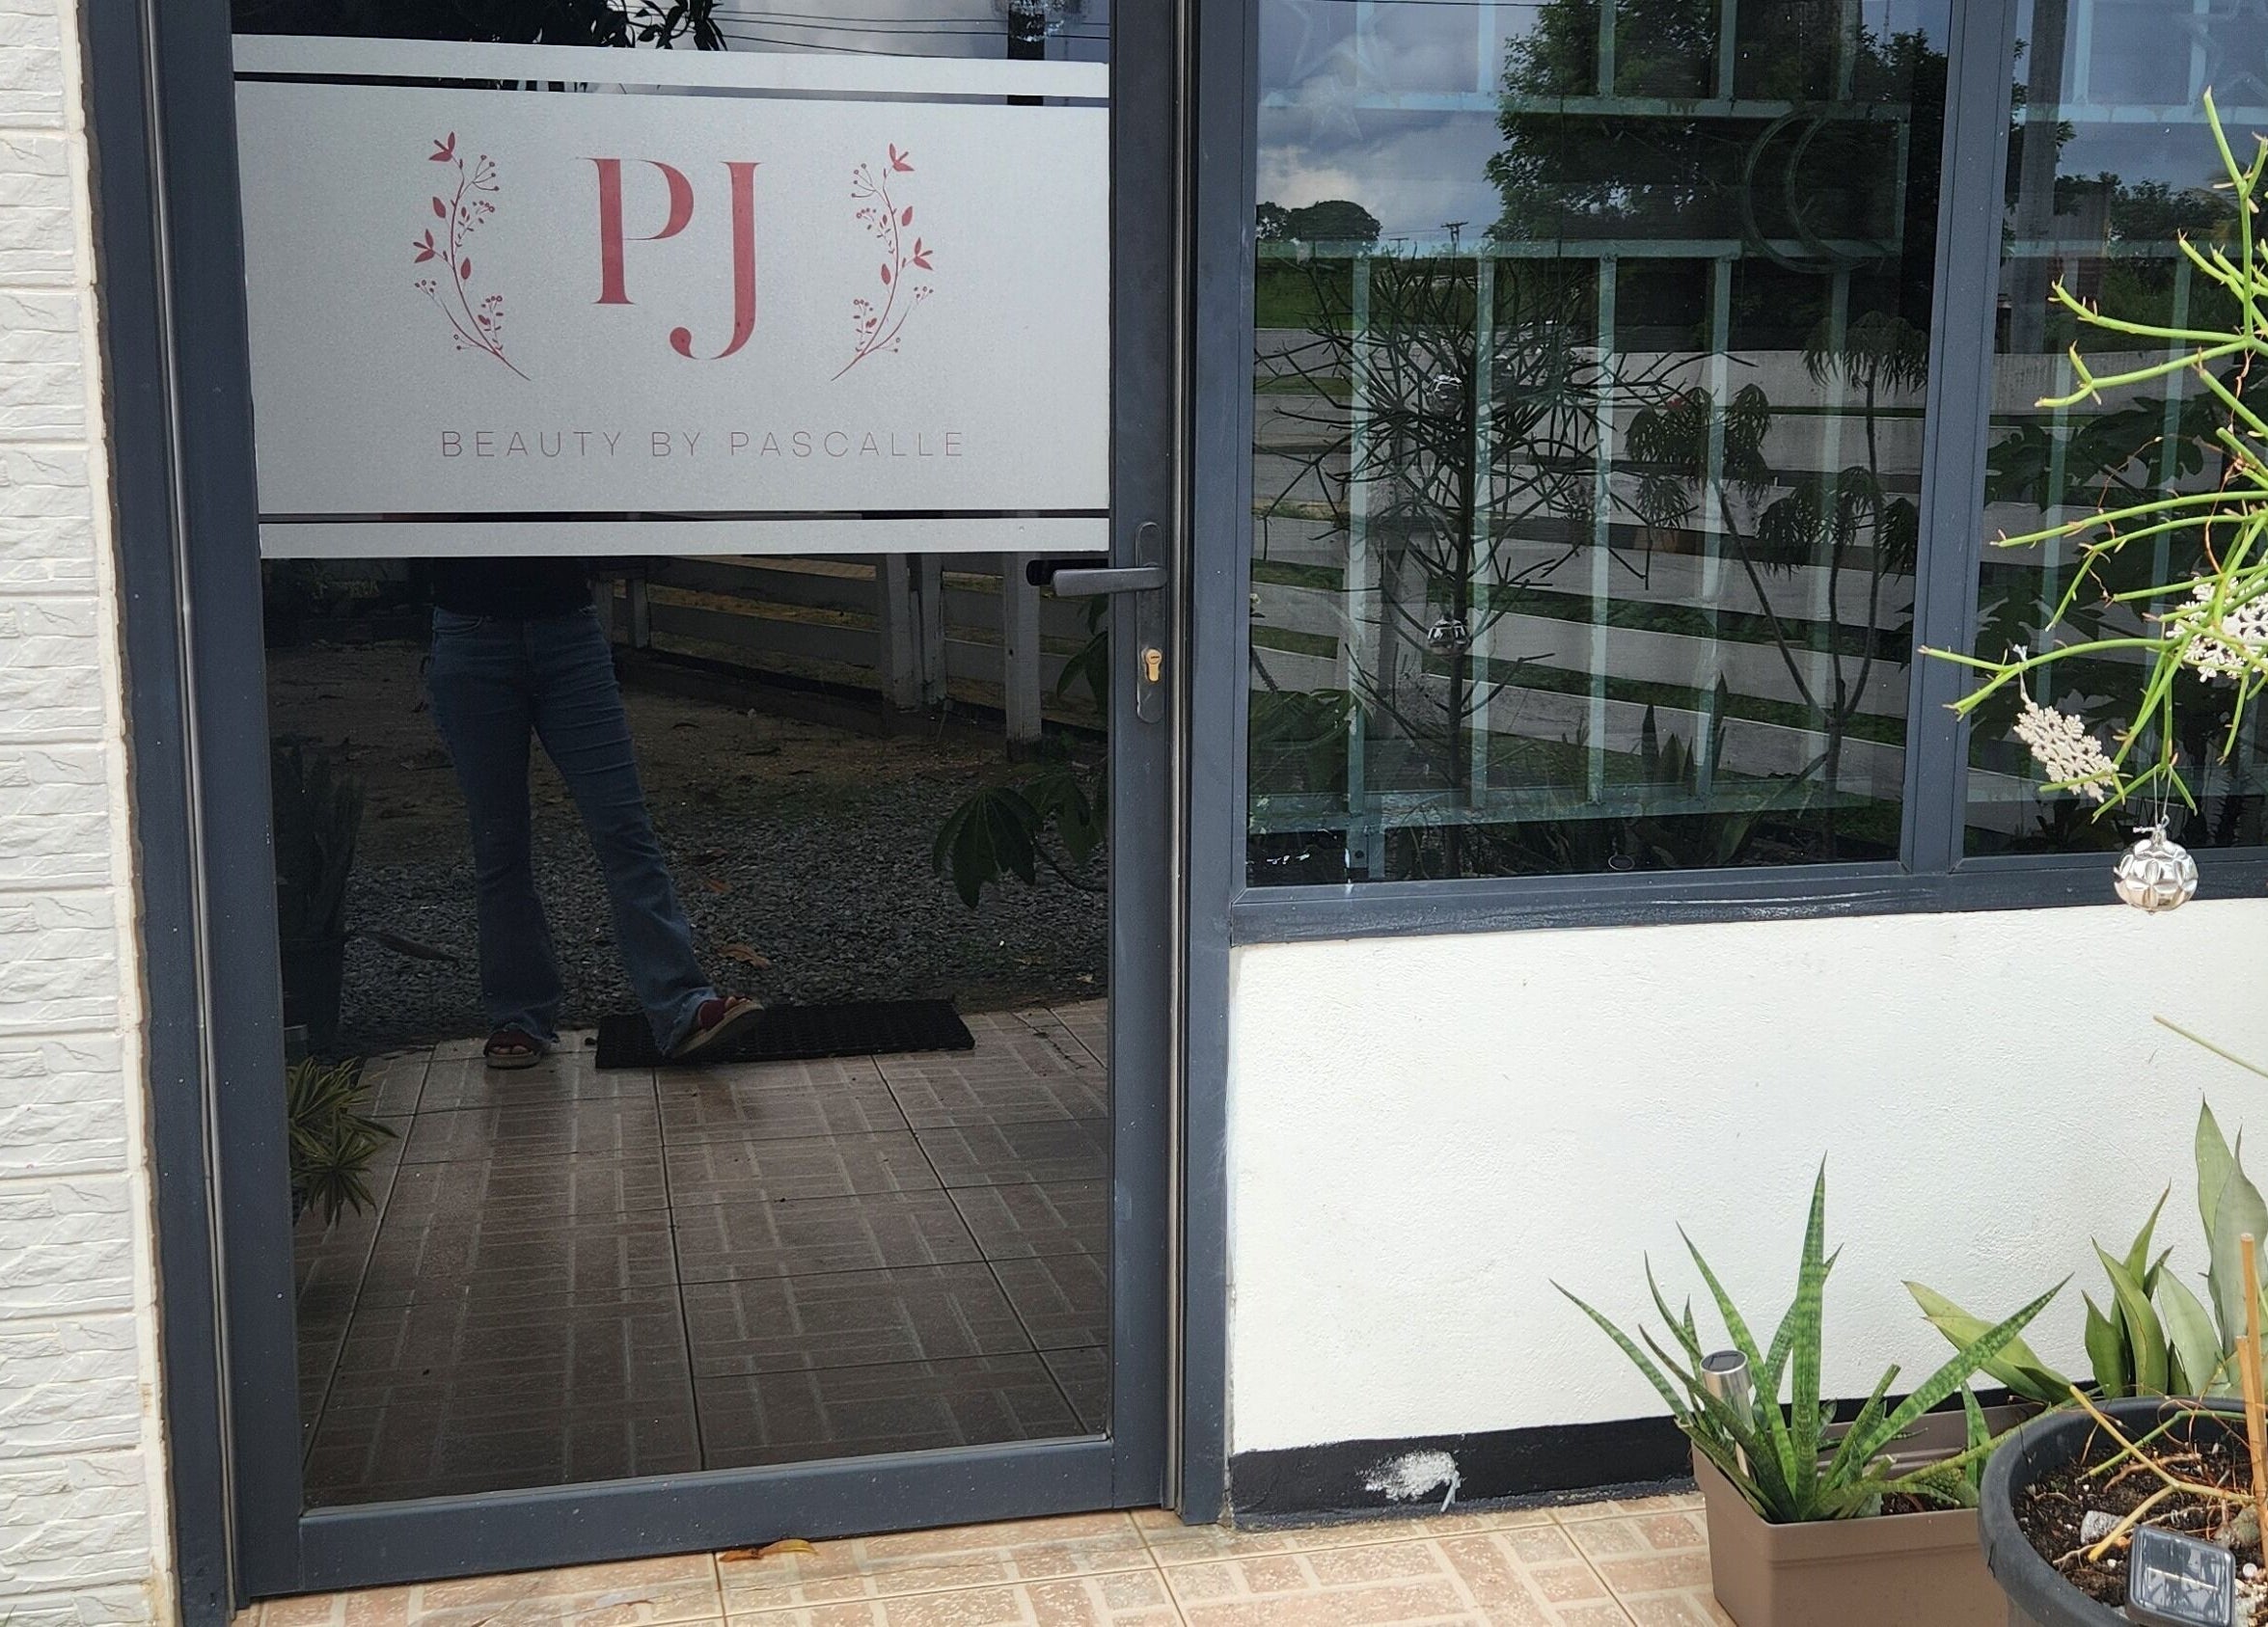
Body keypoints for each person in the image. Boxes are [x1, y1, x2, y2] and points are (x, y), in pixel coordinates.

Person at [421, 556, 757, 1069]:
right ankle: (518, 1016)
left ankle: (682, 1007)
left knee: (623, 827)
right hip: (472, 633)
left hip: (567, 630)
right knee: (499, 841)